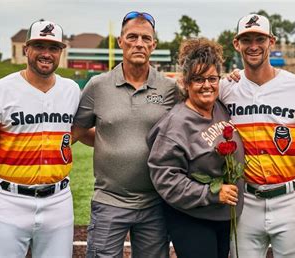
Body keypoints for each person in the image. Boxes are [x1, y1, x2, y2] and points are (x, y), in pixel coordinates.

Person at [0, 19, 80, 257]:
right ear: (26, 49)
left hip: (59, 201)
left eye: (53, 48)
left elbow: (79, 131)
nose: (46, 53)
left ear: (61, 52)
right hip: (9, 201)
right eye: (39, 46)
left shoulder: (72, 90)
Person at [72, 11, 177, 258]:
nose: (138, 43)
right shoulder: (98, 85)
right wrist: (108, 141)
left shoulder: (170, 89)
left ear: (154, 44)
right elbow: (76, 132)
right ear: (120, 41)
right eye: (132, 37)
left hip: (155, 203)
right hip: (109, 200)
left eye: (145, 38)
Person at [219, 14, 295, 257]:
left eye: (260, 38)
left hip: (290, 197)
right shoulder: (225, 87)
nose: (254, 46)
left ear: (272, 42)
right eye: (246, 39)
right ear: (236, 44)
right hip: (245, 199)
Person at [147, 38, 244, 258]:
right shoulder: (176, 123)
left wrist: (236, 76)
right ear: (186, 83)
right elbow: (165, 177)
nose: (207, 85)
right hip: (192, 218)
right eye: (199, 79)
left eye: (212, 78)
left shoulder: (219, 107)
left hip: (222, 215)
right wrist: (211, 193)